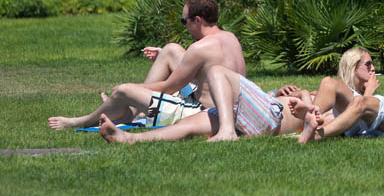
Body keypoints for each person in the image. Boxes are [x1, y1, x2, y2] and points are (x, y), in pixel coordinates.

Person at [48, 0, 246, 130]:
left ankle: (82, 121)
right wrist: (164, 55)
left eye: (184, 21)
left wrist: (130, 89)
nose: (184, 26)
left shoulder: (199, 48)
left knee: (123, 90)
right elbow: (205, 69)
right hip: (230, 109)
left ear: (197, 20)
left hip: (202, 113)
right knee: (170, 50)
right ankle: (128, 111)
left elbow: (168, 88)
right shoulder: (230, 38)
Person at [97, 65, 309, 143]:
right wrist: (278, 91)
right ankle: (127, 138)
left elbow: (313, 105)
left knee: (217, 71)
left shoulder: (321, 102)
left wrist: (305, 97)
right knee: (185, 125)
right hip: (254, 115)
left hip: (272, 115)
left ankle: (227, 132)